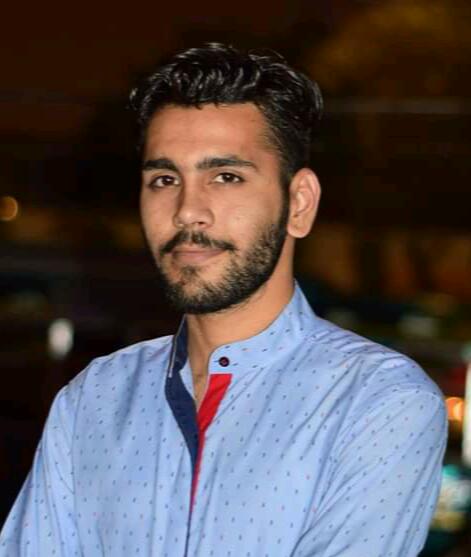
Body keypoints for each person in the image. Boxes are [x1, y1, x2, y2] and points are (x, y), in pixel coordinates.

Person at [0, 43, 447, 557]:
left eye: (226, 177)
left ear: (299, 204)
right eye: (164, 179)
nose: (188, 210)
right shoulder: (93, 399)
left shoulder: (376, 401)